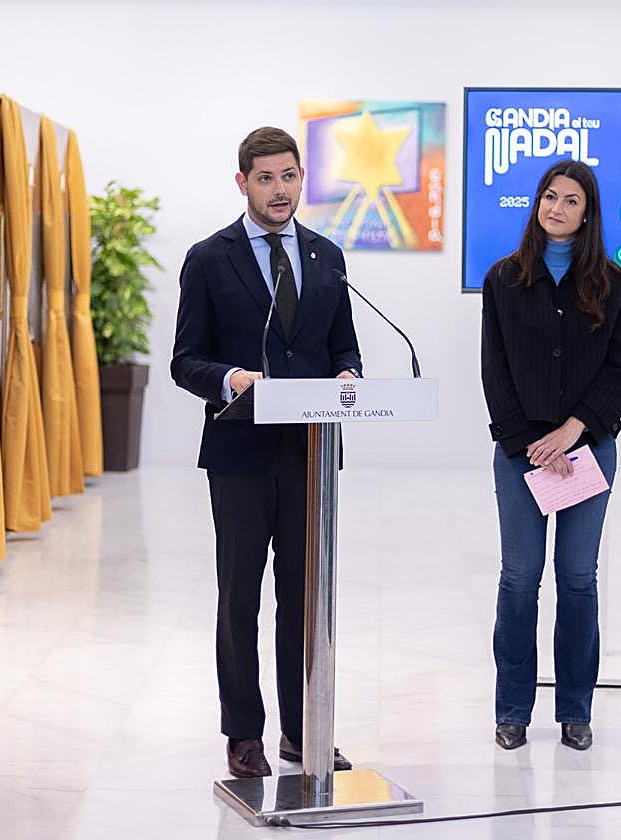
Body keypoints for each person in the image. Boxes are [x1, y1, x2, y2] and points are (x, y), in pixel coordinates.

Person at [171, 127, 362, 778]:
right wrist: (231, 378)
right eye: (266, 178)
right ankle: (243, 734)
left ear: (302, 177)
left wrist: (347, 377)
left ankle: (302, 729)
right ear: (242, 183)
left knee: (306, 600)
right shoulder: (208, 258)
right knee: (240, 597)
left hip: (311, 454)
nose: (280, 190)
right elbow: (184, 360)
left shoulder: (327, 256)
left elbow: (345, 347)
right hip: (240, 453)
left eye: (289, 176)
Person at [480, 159, 621, 752]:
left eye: (571, 200)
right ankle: (512, 710)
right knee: (520, 580)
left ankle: (575, 709)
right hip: (522, 452)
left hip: (587, 451)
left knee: (577, 580)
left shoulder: (615, 286)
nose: (557, 208)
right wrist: (531, 445)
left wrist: (573, 431)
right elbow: (494, 372)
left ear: (588, 213)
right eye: (550, 196)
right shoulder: (503, 280)